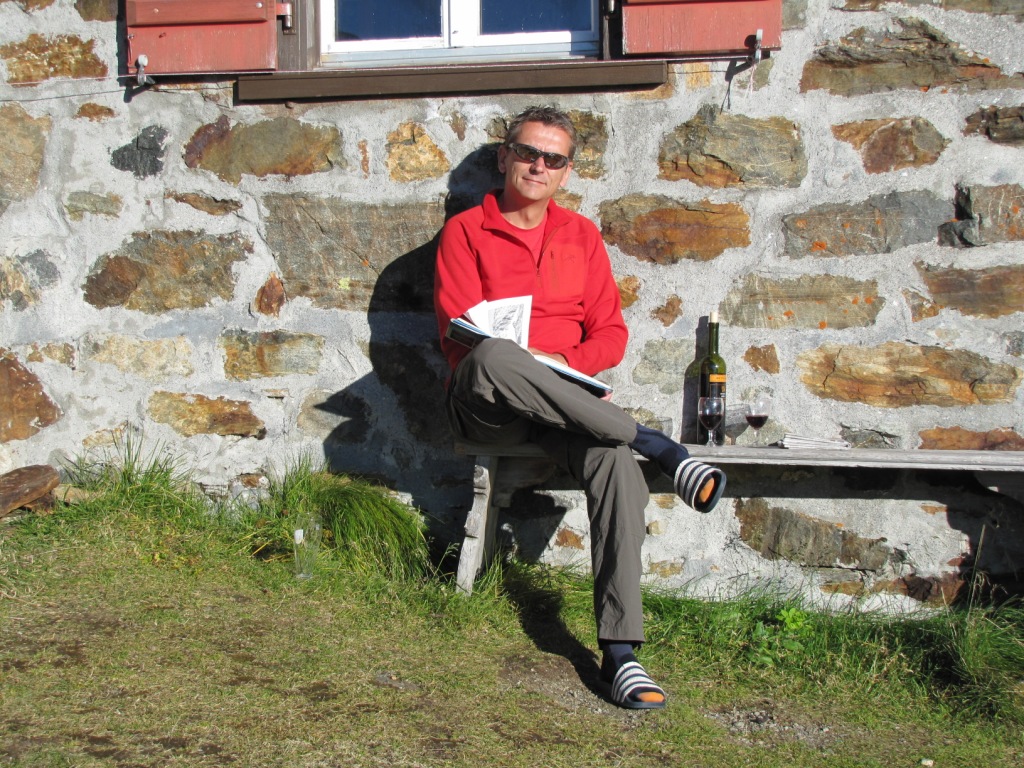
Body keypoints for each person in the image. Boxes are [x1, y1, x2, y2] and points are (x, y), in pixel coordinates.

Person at [433, 106, 726, 710]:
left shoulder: (581, 236)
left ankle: (622, 652)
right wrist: (523, 359)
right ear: (504, 157)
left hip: (564, 405)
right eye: (527, 153)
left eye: (553, 158)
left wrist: (558, 360)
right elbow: (456, 338)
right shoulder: (466, 231)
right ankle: (661, 446)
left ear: (566, 172)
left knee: (614, 463)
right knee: (493, 355)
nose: (538, 166)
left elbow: (611, 336)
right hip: (489, 400)